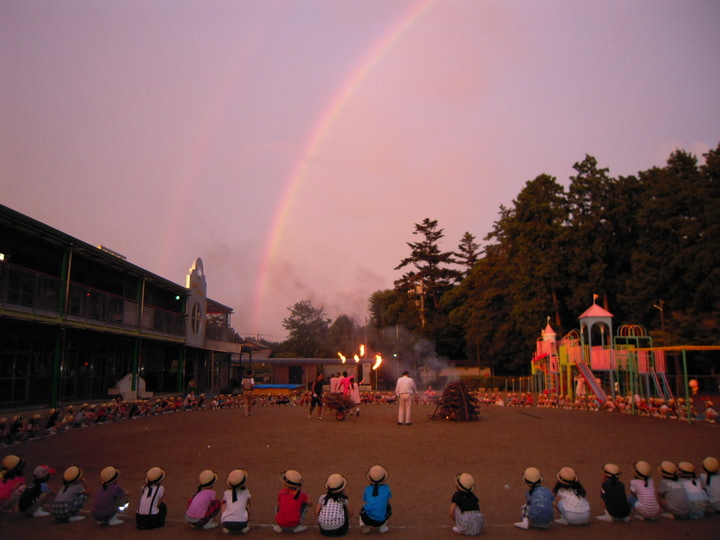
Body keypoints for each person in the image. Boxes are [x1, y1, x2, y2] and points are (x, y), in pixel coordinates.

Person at [359, 465, 392, 534]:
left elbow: (366, 501)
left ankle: (362, 523)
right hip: (380, 521)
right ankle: (382, 527)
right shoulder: (387, 488)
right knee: (388, 507)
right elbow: (386, 502)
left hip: (366, 519)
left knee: (363, 508)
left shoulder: (367, 489)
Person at [221, 469, 251, 534]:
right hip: (241, 524)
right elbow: (248, 507)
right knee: (245, 507)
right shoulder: (246, 492)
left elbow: (223, 508)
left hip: (226, 523)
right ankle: (244, 528)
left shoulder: (226, 493)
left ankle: (227, 528)